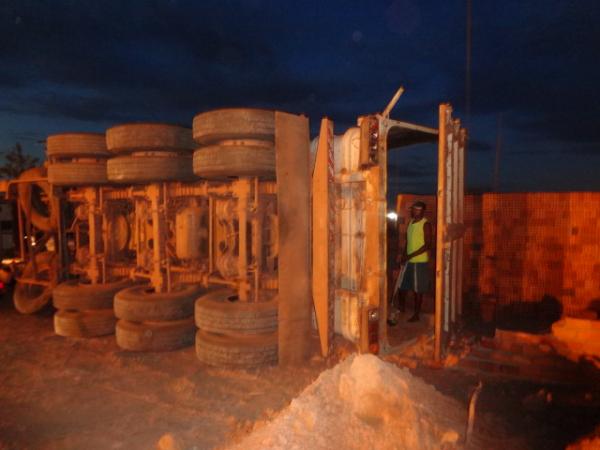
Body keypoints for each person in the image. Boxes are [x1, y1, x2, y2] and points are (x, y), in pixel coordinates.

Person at [388, 201, 432, 324]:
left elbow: (428, 245)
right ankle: (401, 308)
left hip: (419, 262)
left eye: (417, 210)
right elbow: (408, 241)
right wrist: (404, 255)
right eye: (413, 209)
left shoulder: (426, 224)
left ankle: (417, 314)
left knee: (418, 289)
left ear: (422, 211)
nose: (414, 211)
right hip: (409, 261)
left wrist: (410, 255)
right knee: (402, 286)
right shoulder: (411, 223)